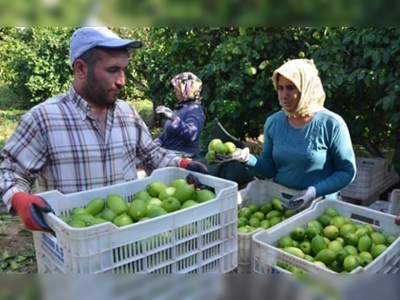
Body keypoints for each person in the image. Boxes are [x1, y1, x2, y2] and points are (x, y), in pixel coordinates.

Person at [0, 27, 207, 232]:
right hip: (72, 247)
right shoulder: (44, 119)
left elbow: (151, 155)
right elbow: (10, 172)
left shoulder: (128, 114)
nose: (122, 81)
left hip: (126, 238)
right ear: (81, 69)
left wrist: (182, 164)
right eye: (112, 70)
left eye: (124, 70)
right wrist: (19, 199)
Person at [219, 58, 356, 209]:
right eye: (280, 88)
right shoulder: (274, 123)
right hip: (282, 203)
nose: (284, 95)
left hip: (320, 206)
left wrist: (313, 191)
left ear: (306, 88)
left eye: (291, 88)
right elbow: (270, 168)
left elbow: (347, 171)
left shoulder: (331, 124)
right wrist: (246, 158)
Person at [154, 72, 205, 156]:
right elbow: (168, 133)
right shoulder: (181, 108)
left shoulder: (195, 109)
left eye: (176, 87)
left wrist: (174, 118)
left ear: (185, 89)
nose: (174, 90)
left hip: (184, 159)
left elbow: (192, 134)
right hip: (170, 157)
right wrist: (157, 141)